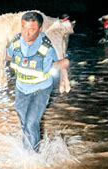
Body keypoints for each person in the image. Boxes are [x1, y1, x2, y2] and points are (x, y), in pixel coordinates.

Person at [6, 11, 70, 152]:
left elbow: (51, 66)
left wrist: (61, 64)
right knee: (24, 123)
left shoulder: (46, 48)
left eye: (32, 29)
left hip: (40, 89)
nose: (26, 33)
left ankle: (33, 158)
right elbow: (8, 56)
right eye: (24, 28)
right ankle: (29, 149)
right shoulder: (16, 41)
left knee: (31, 123)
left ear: (40, 29)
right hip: (21, 88)